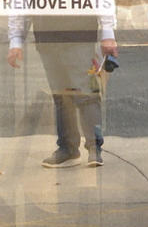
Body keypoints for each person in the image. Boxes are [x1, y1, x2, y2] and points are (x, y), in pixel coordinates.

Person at [7, 14, 118, 168]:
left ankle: (90, 147)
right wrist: (16, 41)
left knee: (85, 94)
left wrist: (108, 35)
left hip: (78, 38)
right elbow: (22, 5)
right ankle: (71, 149)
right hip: (49, 40)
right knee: (62, 96)